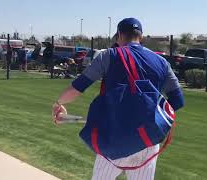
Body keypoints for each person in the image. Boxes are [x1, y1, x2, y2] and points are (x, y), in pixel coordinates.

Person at [52, 18, 184, 180]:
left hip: (113, 135)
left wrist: (59, 103)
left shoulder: (108, 56)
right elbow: (177, 100)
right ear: (141, 36)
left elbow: (77, 88)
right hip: (146, 139)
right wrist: (152, 119)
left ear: (119, 35)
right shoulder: (162, 62)